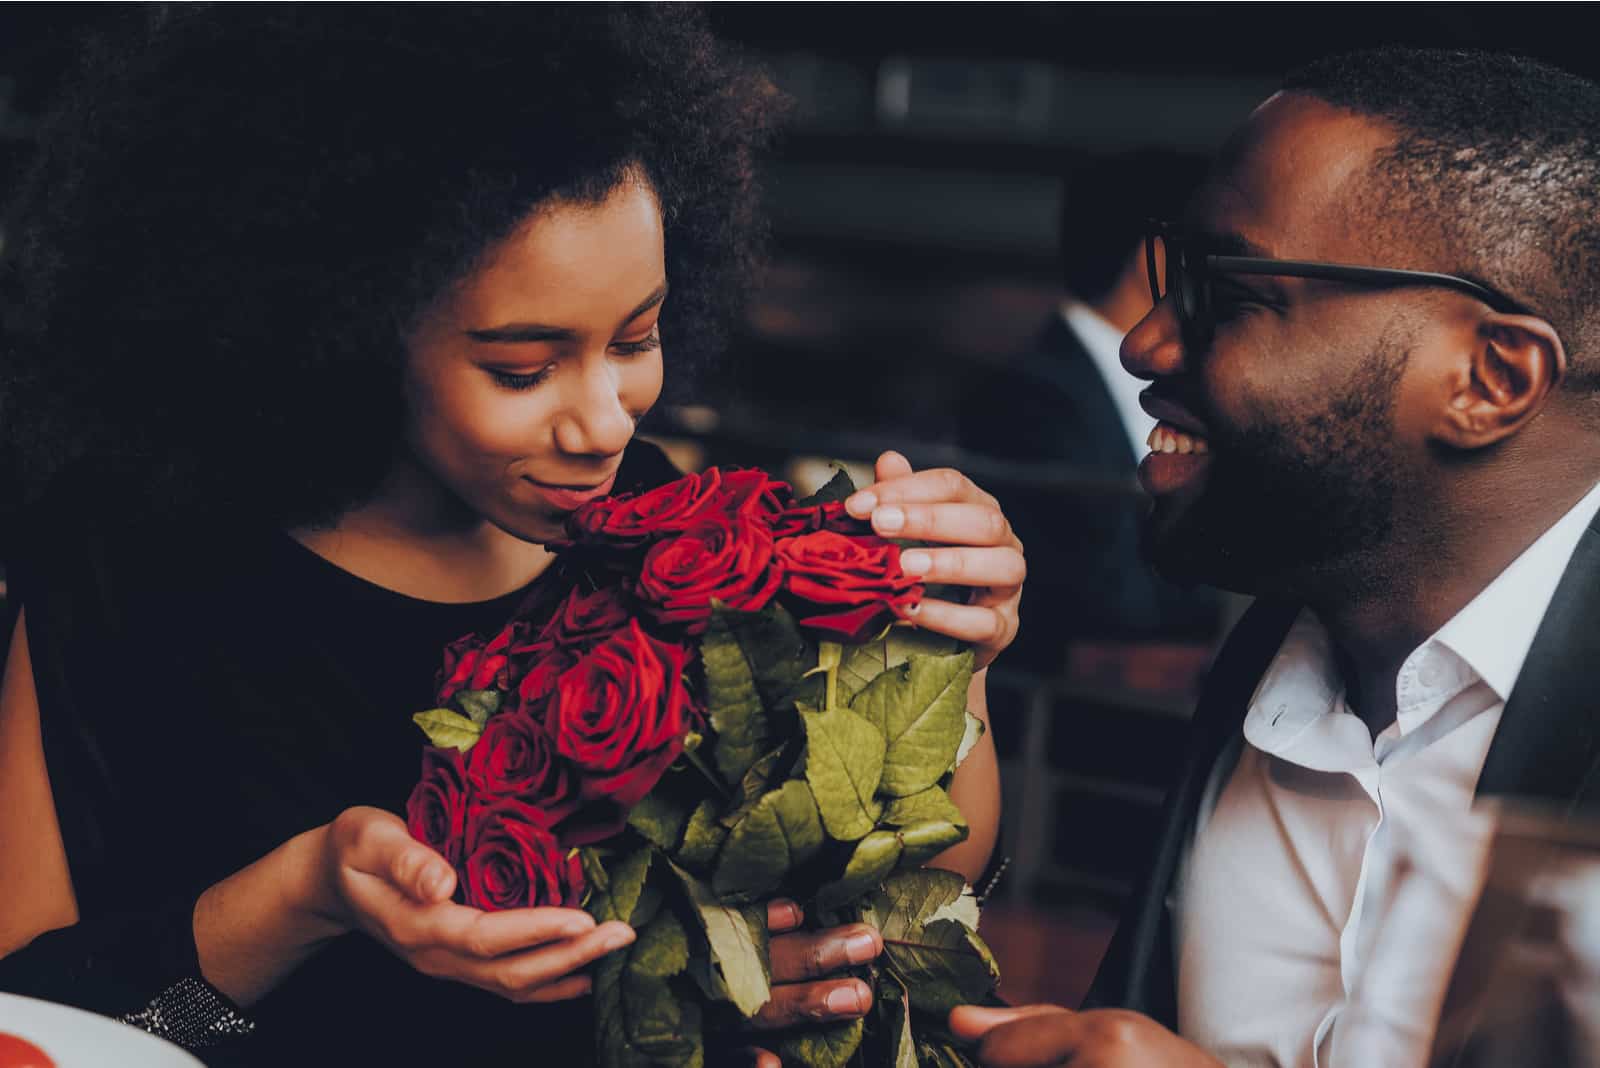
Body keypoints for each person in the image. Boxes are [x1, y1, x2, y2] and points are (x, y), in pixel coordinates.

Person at [0, 8, 1023, 1066]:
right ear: (346, 328)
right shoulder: (126, 575)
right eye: (521, 368)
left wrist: (952, 648)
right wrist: (300, 903)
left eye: (638, 338)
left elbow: (927, 884)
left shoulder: (661, 528)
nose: (605, 424)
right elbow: (41, 1032)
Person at [947, 46, 1600, 1067]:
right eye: (1172, 276)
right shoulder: (1272, 652)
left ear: (1488, 377)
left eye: (1229, 292)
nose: (1146, 345)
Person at [957, 150, 1217, 673]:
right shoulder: (1033, 397)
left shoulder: (1164, 385)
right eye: (1209, 250)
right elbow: (1082, 615)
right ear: (1159, 257)